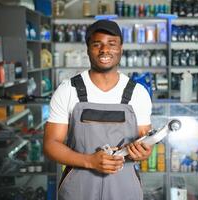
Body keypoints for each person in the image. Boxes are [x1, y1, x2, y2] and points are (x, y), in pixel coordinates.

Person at [43, 19, 153, 200]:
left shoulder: (138, 93)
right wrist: (89, 161)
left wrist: (143, 152)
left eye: (112, 44)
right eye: (97, 44)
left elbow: (145, 141)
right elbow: (50, 145)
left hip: (124, 188)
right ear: (88, 49)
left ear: (121, 48)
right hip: (78, 189)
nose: (105, 50)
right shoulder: (68, 90)